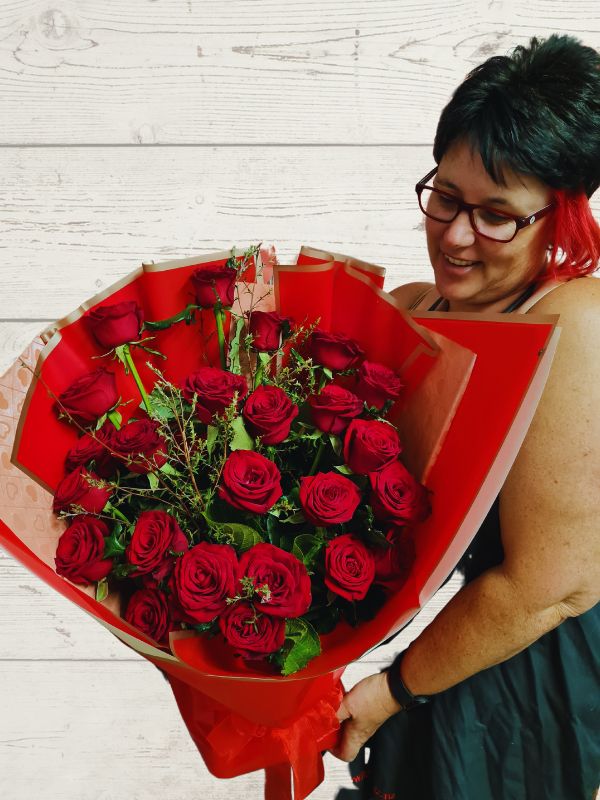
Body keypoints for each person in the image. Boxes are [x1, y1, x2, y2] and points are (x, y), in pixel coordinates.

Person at [332, 34, 600, 800]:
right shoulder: (409, 309)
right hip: (447, 663)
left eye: (495, 216)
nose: (454, 235)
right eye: (445, 197)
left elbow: (547, 588)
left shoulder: (574, 323)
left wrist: (391, 691)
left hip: (540, 681)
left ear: (561, 220)